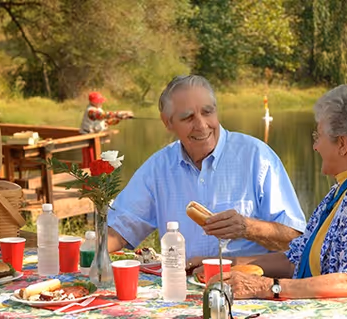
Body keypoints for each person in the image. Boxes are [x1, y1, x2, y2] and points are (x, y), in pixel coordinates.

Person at [206, 85, 347, 319]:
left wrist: (266, 287)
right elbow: (294, 259)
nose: (315, 146)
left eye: (318, 136)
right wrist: (224, 266)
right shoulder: (344, 188)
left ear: (342, 144)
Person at [107, 75, 306, 260]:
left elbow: (296, 239)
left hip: (249, 287)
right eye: (188, 118)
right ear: (167, 122)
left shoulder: (257, 156)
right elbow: (118, 230)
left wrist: (247, 227)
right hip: (180, 288)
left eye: (207, 112)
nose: (201, 125)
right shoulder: (158, 168)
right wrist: (88, 251)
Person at [79, 92, 133, 167]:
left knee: (94, 161)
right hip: (87, 138)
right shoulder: (91, 111)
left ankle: (94, 176)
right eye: (98, 101)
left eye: (101, 101)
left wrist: (120, 118)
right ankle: (88, 178)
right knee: (89, 162)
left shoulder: (98, 110)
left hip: (94, 138)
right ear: (92, 102)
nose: (101, 102)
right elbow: (104, 115)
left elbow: (105, 122)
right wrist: (121, 113)